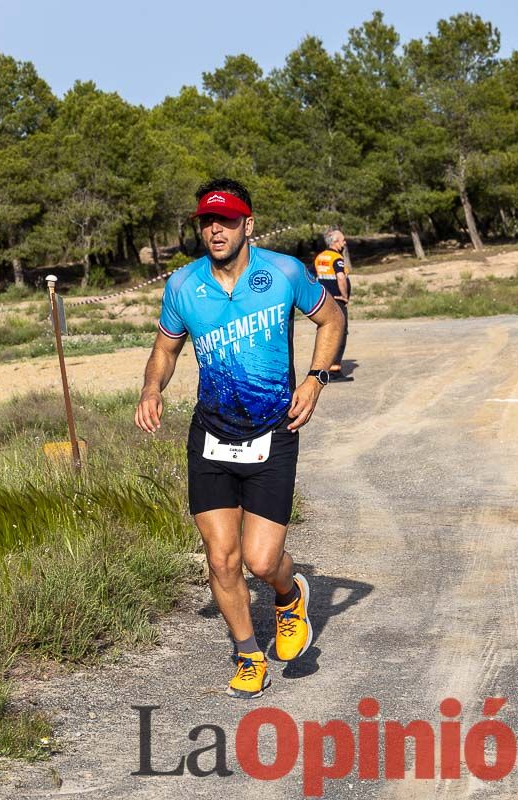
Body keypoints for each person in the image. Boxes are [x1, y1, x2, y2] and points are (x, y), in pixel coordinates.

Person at [134, 178, 344, 699]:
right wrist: (150, 387)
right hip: (211, 436)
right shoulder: (184, 286)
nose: (215, 229)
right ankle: (248, 653)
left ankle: (288, 594)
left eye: (226, 220)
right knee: (221, 557)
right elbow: (166, 349)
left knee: (260, 561)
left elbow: (332, 319)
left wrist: (315, 379)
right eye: (207, 221)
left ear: (247, 224)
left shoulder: (284, 273)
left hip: (274, 431)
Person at [312, 228, 353, 381]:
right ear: (335, 242)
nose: (344, 242)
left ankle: (323, 367)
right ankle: (334, 370)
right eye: (342, 240)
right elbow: (341, 278)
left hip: (324, 301)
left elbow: (311, 277)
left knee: (325, 332)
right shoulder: (337, 258)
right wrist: (344, 296)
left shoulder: (320, 257)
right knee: (340, 333)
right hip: (337, 300)